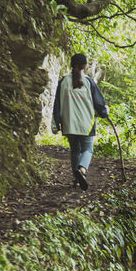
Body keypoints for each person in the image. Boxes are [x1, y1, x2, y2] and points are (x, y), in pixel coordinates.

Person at [50, 53, 108, 189]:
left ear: (72, 65)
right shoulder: (89, 82)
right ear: (85, 66)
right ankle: (82, 170)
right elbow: (99, 103)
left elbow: (57, 104)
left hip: (69, 124)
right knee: (87, 149)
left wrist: (55, 124)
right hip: (86, 124)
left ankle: (76, 180)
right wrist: (105, 112)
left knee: (75, 151)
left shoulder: (63, 82)